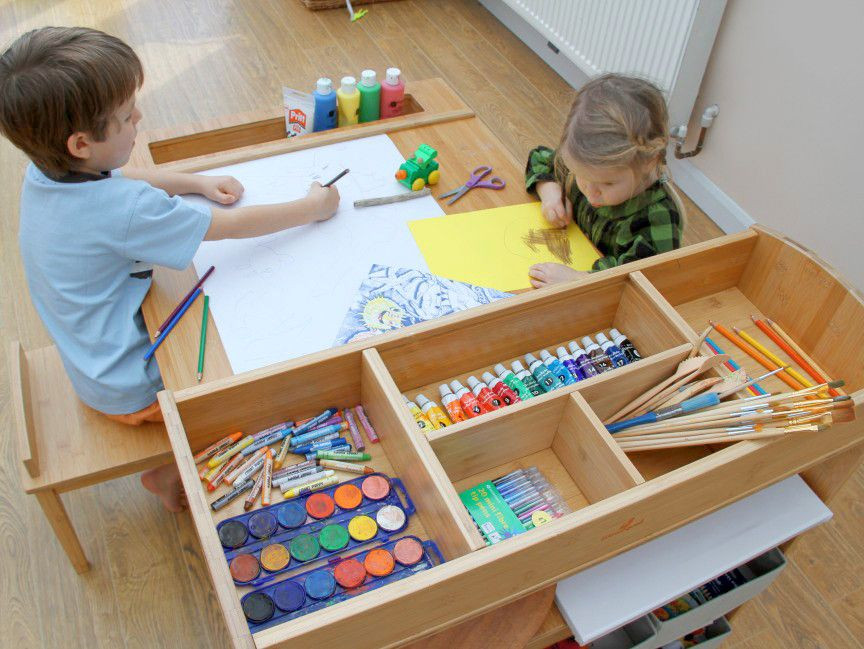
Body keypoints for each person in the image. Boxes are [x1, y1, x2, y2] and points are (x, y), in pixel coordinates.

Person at [0, 26, 339, 512]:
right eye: (124, 116)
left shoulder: (46, 171)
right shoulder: (126, 210)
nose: (139, 115)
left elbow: (118, 177)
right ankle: (166, 471)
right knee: (268, 390)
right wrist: (311, 207)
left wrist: (193, 181)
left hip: (89, 358)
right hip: (132, 387)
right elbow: (234, 226)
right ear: (80, 144)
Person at [525, 74, 685, 287]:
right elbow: (540, 157)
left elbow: (649, 280)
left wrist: (579, 279)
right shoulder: (589, 166)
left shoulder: (658, 217)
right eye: (581, 176)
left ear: (649, 162)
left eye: (607, 184)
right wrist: (549, 190)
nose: (590, 192)